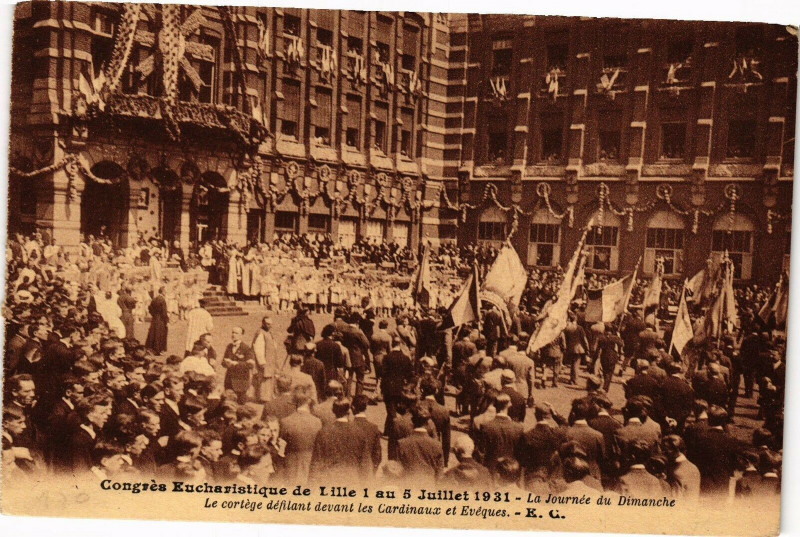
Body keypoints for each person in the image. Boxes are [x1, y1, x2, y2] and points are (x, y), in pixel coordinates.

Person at [279, 386, 322, 485]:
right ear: (309, 401)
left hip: (291, 465)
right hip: (310, 465)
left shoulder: (286, 421)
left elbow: (282, 447)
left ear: (294, 400)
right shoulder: (317, 422)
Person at [397, 403, 443, 486]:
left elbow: (397, 470)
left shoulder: (402, 444)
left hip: (408, 486)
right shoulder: (437, 445)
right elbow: (439, 474)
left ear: (413, 421)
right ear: (427, 423)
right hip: (429, 486)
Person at [222, 327, 256, 404]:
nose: (233, 334)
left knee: (241, 404)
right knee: (228, 403)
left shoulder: (246, 348)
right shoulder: (229, 347)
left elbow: (250, 365)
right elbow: (223, 362)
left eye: (236, 333)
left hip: (241, 381)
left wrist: (236, 363)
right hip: (229, 380)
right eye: (233, 332)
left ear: (241, 335)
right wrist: (226, 363)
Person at [252, 316, 279, 402]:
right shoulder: (260, 333)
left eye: (270, 324)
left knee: (270, 378)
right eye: (267, 324)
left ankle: (268, 396)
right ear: (263, 323)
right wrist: (262, 362)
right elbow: (258, 349)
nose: (269, 326)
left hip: (270, 359)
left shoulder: (269, 333)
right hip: (264, 361)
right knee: (264, 379)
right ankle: (263, 397)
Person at [145, 287, 169, 356]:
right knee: (160, 334)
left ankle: (151, 348)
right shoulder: (162, 300)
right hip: (160, 319)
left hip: (155, 318)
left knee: (153, 333)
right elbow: (164, 312)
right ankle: (158, 350)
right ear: (163, 292)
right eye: (165, 291)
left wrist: (153, 314)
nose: (166, 293)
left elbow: (149, 308)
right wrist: (166, 321)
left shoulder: (155, 299)